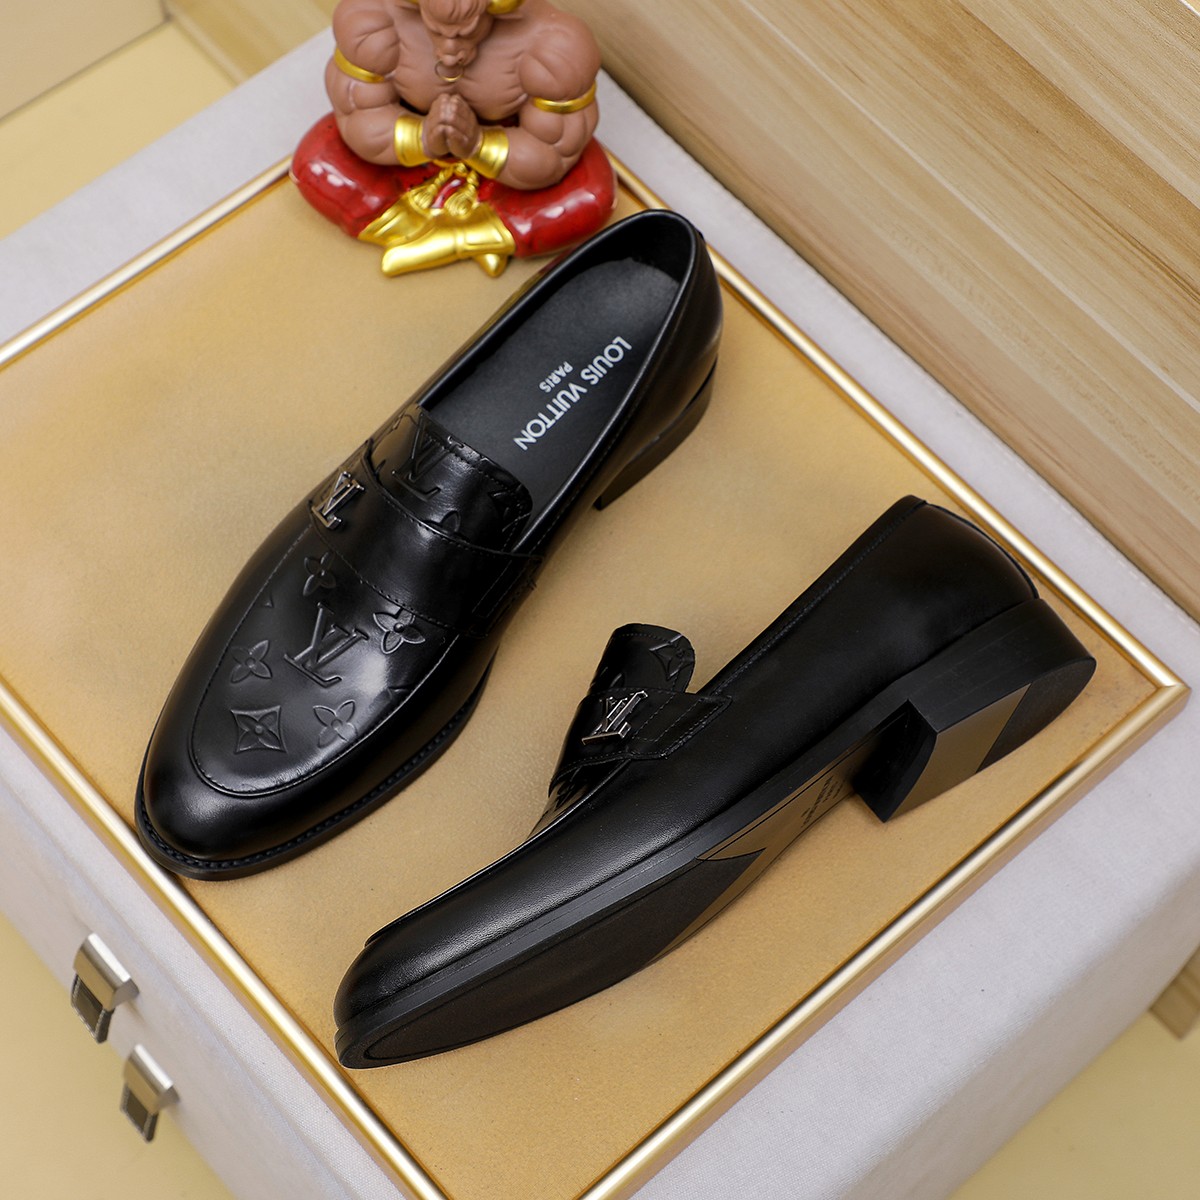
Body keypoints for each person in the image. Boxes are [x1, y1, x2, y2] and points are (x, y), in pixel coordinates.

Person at [292, 0, 616, 276]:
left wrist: (477, 145)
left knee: (591, 194)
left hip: (507, 162)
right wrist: (423, 138)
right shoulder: (374, 18)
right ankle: (484, 236)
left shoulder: (555, 44)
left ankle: (444, 237)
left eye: (464, 34)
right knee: (316, 161)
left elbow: (551, 151)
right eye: (436, 31)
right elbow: (359, 115)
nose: (448, 55)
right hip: (404, 155)